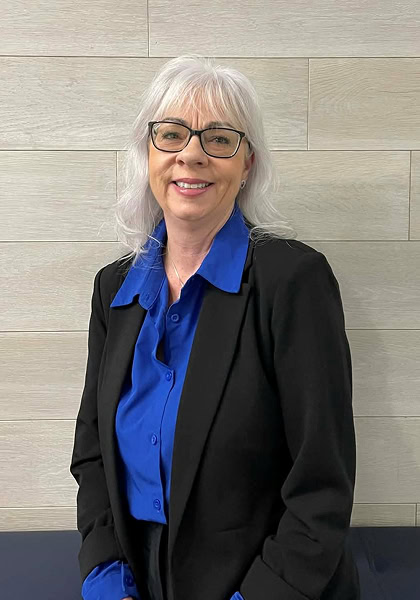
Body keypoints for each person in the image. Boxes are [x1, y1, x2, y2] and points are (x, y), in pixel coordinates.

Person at [70, 54, 360, 600]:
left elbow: (321, 484)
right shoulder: (114, 288)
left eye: (219, 139)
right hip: (139, 579)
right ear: (148, 153)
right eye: (171, 134)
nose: (192, 154)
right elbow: (92, 452)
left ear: (247, 164)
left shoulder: (293, 281)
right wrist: (107, 580)